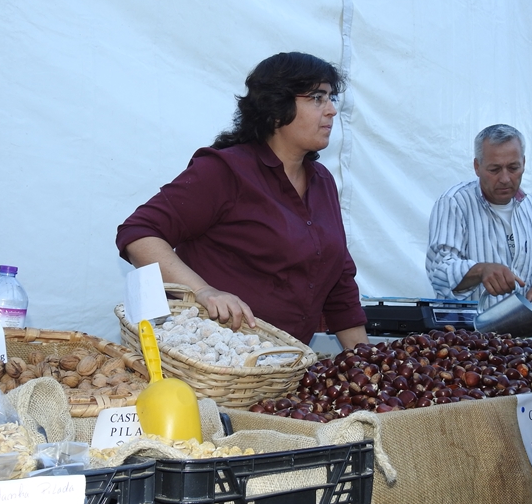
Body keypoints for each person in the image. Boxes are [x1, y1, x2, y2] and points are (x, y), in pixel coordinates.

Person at [116, 52, 368, 348]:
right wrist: (203, 291)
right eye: (317, 98)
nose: (331, 111)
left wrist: (366, 364)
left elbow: (339, 285)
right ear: (277, 106)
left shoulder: (323, 181)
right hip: (214, 363)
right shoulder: (224, 170)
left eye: (331, 98)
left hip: (285, 369)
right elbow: (139, 234)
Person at [425, 124, 532, 316]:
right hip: (467, 337)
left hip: (521, 335)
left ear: (524, 163)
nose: (505, 178)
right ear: (477, 167)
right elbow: (438, 270)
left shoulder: (530, 206)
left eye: (513, 168)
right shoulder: (454, 203)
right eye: (494, 169)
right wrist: (480, 270)